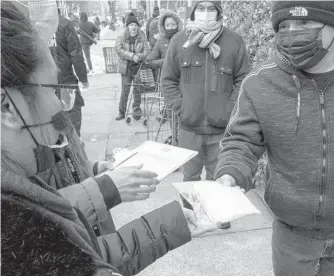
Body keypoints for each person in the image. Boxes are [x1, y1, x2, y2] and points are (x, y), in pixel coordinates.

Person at [1, 2, 219, 275]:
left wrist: (173, 224)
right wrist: (104, 189)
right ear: (6, 107)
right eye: (53, 90)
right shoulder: (18, 228)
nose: (61, 108)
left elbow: (83, 252)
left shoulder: (23, 181)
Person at [214, 1, 334, 275]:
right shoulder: (262, 83)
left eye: (303, 23)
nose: (292, 33)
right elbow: (241, 142)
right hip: (291, 234)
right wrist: (229, 174)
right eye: (283, 26)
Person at [161, 1, 251, 182]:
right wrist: (182, 108)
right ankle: (189, 211)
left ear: (218, 13)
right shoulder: (179, 41)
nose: (206, 13)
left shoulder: (234, 41)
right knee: (190, 180)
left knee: (218, 182)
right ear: (194, 11)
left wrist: (230, 108)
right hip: (189, 130)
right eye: (201, 8)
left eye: (211, 8)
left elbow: (244, 80)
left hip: (221, 131)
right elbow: (168, 79)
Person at [48, 8, 88, 137]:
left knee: (50, 113)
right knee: (72, 109)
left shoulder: (36, 25)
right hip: (65, 78)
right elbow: (75, 53)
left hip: (44, 80)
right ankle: (74, 143)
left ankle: (59, 142)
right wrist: (83, 78)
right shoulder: (64, 23)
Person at [147, 10, 183, 145]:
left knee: (182, 111)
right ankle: (174, 136)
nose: (171, 28)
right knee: (170, 110)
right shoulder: (161, 41)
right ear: (163, 26)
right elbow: (151, 60)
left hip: (184, 81)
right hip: (167, 82)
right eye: (168, 25)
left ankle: (180, 136)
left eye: (173, 24)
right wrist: (166, 61)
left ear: (178, 25)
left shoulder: (183, 39)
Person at [115, 12, 149, 121]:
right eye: (131, 25)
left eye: (135, 25)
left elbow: (146, 51)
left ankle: (136, 109)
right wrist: (132, 56)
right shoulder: (121, 37)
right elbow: (119, 50)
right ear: (127, 26)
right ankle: (121, 111)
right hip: (126, 67)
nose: (133, 27)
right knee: (125, 90)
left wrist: (138, 56)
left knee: (137, 89)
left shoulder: (142, 36)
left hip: (138, 66)